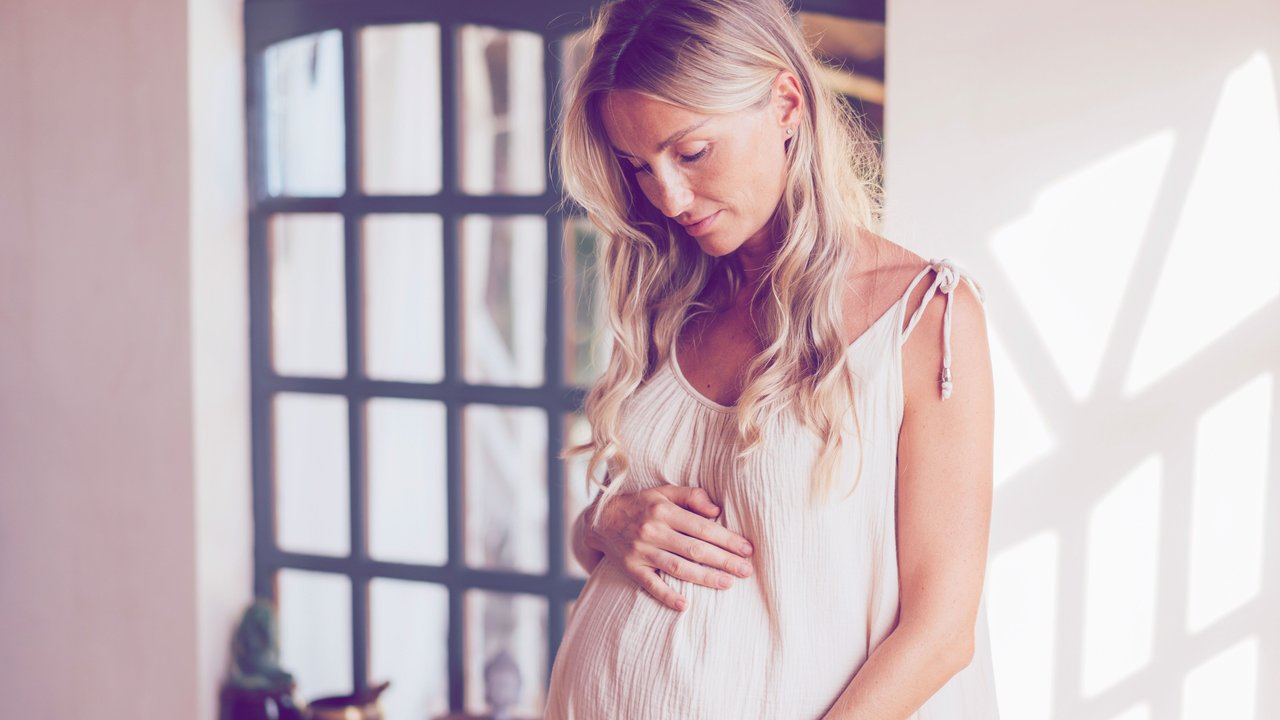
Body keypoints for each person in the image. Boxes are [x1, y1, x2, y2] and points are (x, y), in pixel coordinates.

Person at [545, 0, 998, 717]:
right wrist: (606, 523)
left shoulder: (924, 319)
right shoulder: (675, 293)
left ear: (786, 104)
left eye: (690, 151)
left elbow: (941, 633)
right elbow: (616, 539)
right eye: (638, 166)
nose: (667, 196)